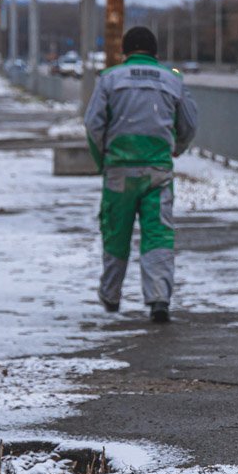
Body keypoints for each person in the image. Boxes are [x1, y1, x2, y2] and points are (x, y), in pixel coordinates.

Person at [83, 26, 198, 323]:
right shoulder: (172, 80)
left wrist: (103, 159)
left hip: (119, 171)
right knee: (158, 233)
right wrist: (175, 150)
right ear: (155, 52)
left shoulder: (109, 79)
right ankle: (159, 298)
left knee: (115, 232)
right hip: (157, 171)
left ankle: (110, 295)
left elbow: (93, 125)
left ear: (125, 52)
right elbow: (189, 124)